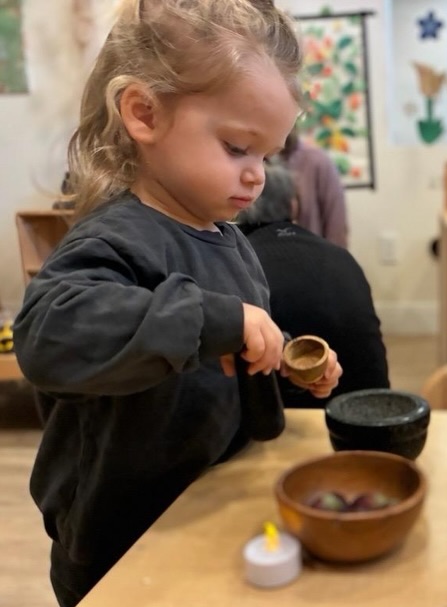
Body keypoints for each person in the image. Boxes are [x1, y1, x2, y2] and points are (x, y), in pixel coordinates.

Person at [11, 2, 342, 606]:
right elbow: (44, 336)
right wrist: (219, 320)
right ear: (144, 113)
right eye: (238, 147)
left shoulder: (229, 240)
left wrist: (285, 358)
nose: (258, 176)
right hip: (120, 548)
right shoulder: (114, 239)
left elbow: (220, 348)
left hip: (204, 508)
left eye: (266, 156)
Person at [237, 165, 389, 407]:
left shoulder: (237, 264)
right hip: (373, 414)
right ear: (294, 205)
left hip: (288, 428)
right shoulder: (342, 257)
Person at [280, 128, 349, 247]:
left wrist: (335, 262)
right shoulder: (258, 162)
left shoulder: (317, 161)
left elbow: (336, 227)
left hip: (314, 257)